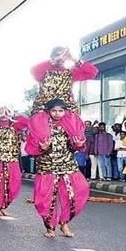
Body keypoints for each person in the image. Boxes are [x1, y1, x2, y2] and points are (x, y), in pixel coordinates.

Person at [25, 99, 89, 238]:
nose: (57, 114)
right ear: (48, 111)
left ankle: (64, 223)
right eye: (54, 110)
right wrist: (42, 148)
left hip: (67, 165)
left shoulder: (71, 125)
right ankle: (50, 227)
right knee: (44, 199)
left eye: (61, 110)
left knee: (78, 192)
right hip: (47, 167)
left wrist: (77, 144)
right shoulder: (39, 126)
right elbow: (30, 147)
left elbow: (76, 146)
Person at [0, 107, 29, 217]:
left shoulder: (15, 126)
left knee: (14, 184)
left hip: (12, 161)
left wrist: (13, 115)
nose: (4, 115)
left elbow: (27, 121)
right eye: (1, 113)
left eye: (7, 112)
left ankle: (4, 205)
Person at [31, 46, 99, 114]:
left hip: (66, 111)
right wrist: (53, 61)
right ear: (52, 57)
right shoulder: (44, 71)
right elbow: (34, 71)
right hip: (44, 111)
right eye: (57, 55)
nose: (61, 57)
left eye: (64, 55)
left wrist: (74, 59)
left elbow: (93, 72)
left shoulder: (71, 72)